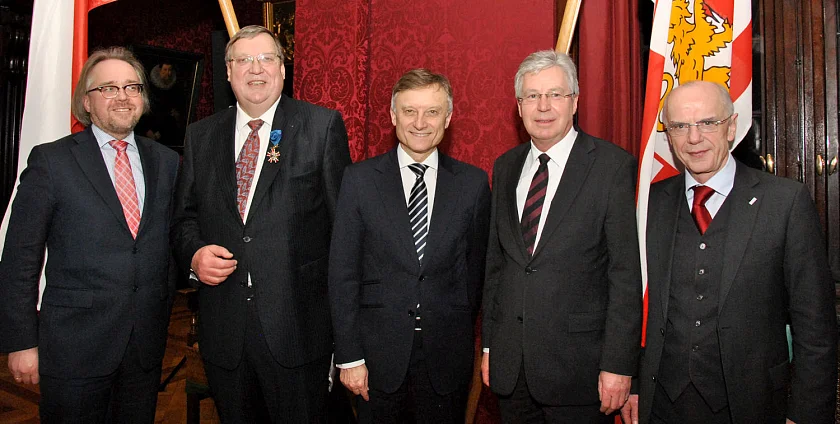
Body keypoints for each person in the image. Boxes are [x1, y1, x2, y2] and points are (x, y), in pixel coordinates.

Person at [620, 81, 838, 424]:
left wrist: (806, 413)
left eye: (707, 122)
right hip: (662, 404)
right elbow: (630, 301)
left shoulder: (784, 203)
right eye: (679, 126)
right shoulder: (650, 204)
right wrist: (631, 379)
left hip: (753, 405)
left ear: (732, 127)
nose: (694, 138)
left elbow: (815, 327)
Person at [172, 25, 351, 422]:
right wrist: (195, 253)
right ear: (229, 72)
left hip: (298, 332)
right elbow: (183, 218)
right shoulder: (201, 136)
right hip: (225, 331)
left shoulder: (321, 128)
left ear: (283, 70)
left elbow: (346, 234)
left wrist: (348, 335)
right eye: (244, 60)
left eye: (267, 58)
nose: (256, 68)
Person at [0, 46, 180, 423]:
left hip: (144, 348)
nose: (122, 96)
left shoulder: (167, 162)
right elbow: (20, 259)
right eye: (109, 88)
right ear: (87, 100)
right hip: (73, 349)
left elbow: (171, 242)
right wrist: (21, 342)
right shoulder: (52, 160)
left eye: (132, 87)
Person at [480, 50, 642, 423]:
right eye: (532, 96)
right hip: (512, 371)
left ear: (575, 102)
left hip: (580, 373)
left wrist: (619, 365)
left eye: (555, 94)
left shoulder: (612, 166)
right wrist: (490, 345)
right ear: (519, 106)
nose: (543, 106)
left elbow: (624, 274)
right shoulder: (505, 167)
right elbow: (497, 266)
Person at [329, 69, 491, 423]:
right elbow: (342, 275)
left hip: (446, 359)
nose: (420, 122)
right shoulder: (358, 181)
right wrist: (350, 357)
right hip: (376, 358)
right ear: (392, 116)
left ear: (447, 118)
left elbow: (477, 275)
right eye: (409, 111)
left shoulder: (473, 185)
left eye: (432, 111)